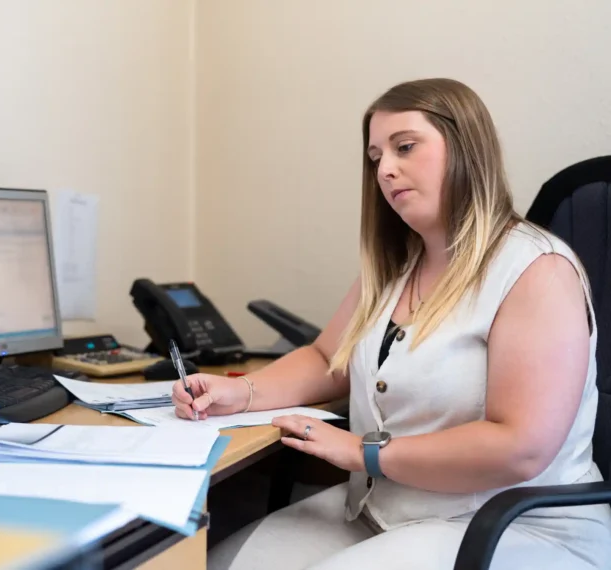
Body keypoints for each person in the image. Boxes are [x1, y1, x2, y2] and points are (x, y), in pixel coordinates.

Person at [171, 78, 611, 569]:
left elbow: (519, 448)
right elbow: (326, 359)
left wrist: (363, 451)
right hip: (382, 508)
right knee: (213, 563)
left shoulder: (536, 270)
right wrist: (241, 391)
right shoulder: (394, 269)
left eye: (405, 147)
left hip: (513, 524)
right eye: (376, 157)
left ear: (466, 147)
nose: (386, 170)